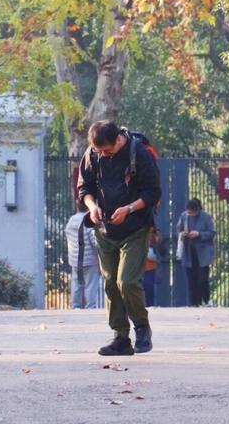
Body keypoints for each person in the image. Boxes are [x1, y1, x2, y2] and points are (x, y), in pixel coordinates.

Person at [78, 121, 161, 356]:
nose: (103, 154)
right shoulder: (92, 154)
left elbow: (153, 193)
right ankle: (120, 337)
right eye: (99, 151)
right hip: (104, 229)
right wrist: (92, 207)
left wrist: (129, 209)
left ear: (118, 140)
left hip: (135, 229)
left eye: (107, 150)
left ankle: (142, 328)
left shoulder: (139, 154)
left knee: (127, 281)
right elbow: (85, 189)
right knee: (110, 282)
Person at [177, 197, 216, 307]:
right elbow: (178, 229)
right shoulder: (184, 216)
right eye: (188, 212)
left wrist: (199, 234)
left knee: (203, 279)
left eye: (192, 212)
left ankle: (207, 300)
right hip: (189, 252)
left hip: (203, 253)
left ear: (198, 210)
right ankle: (194, 302)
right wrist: (183, 234)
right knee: (191, 279)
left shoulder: (206, 217)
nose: (190, 214)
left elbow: (212, 233)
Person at [65, 199, 102, 309]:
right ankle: (90, 306)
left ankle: (75, 306)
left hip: (75, 260)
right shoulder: (88, 219)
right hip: (89, 259)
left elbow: (68, 236)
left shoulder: (71, 220)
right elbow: (94, 240)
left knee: (77, 283)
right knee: (90, 284)